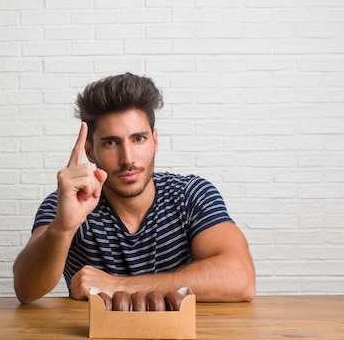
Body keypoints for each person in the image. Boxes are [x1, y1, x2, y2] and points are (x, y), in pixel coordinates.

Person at [13, 73, 255, 304]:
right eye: (110, 142)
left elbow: (240, 278)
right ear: (90, 151)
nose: (127, 158)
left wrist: (120, 286)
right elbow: (26, 290)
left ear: (155, 141)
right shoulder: (68, 203)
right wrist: (63, 227)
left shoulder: (190, 195)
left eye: (138, 139)